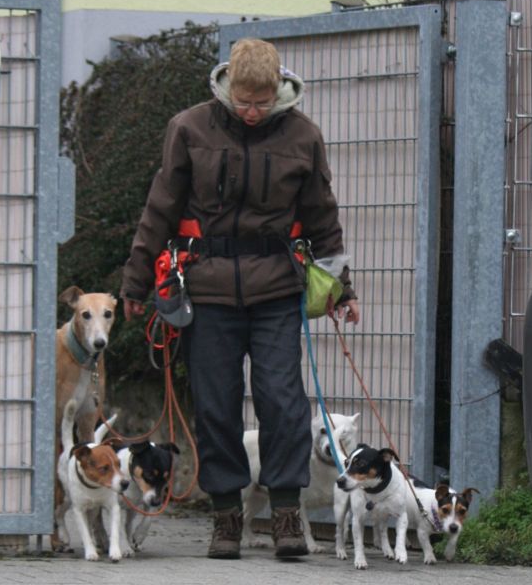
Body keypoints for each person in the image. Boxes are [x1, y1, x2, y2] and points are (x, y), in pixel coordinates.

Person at [120, 38, 360, 560]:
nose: (252, 112)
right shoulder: (189, 128)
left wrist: (343, 290)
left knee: (282, 401)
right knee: (216, 406)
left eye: (262, 102)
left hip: (276, 286)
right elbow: (159, 207)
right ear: (227, 88)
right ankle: (226, 515)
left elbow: (323, 217)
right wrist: (136, 283)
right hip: (206, 287)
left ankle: (287, 514)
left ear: (278, 91)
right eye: (243, 102)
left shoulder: (303, 136)